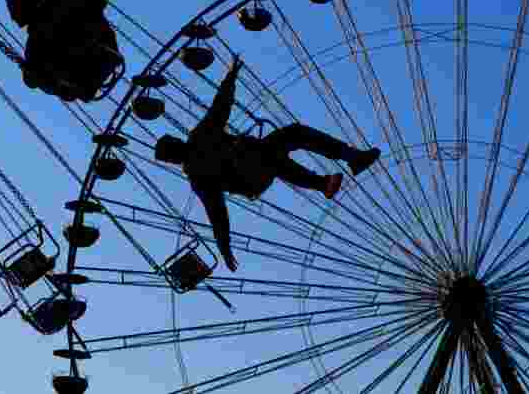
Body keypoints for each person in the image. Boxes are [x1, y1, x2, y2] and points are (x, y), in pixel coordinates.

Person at [155, 53, 380, 272]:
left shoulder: (197, 173)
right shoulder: (199, 147)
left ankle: (329, 179)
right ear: (176, 146)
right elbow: (220, 107)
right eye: (174, 141)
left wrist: (224, 247)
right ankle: (346, 163)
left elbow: (217, 214)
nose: (177, 139)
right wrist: (230, 77)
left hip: (253, 174)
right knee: (285, 142)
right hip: (250, 167)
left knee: (280, 151)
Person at [6, 0, 122, 102]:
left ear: (24, 2)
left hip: (92, 58)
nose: (12, 16)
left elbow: (93, 1)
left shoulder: (54, 10)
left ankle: (80, 79)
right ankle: (80, 81)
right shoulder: (34, 44)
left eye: (12, 7)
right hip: (88, 68)